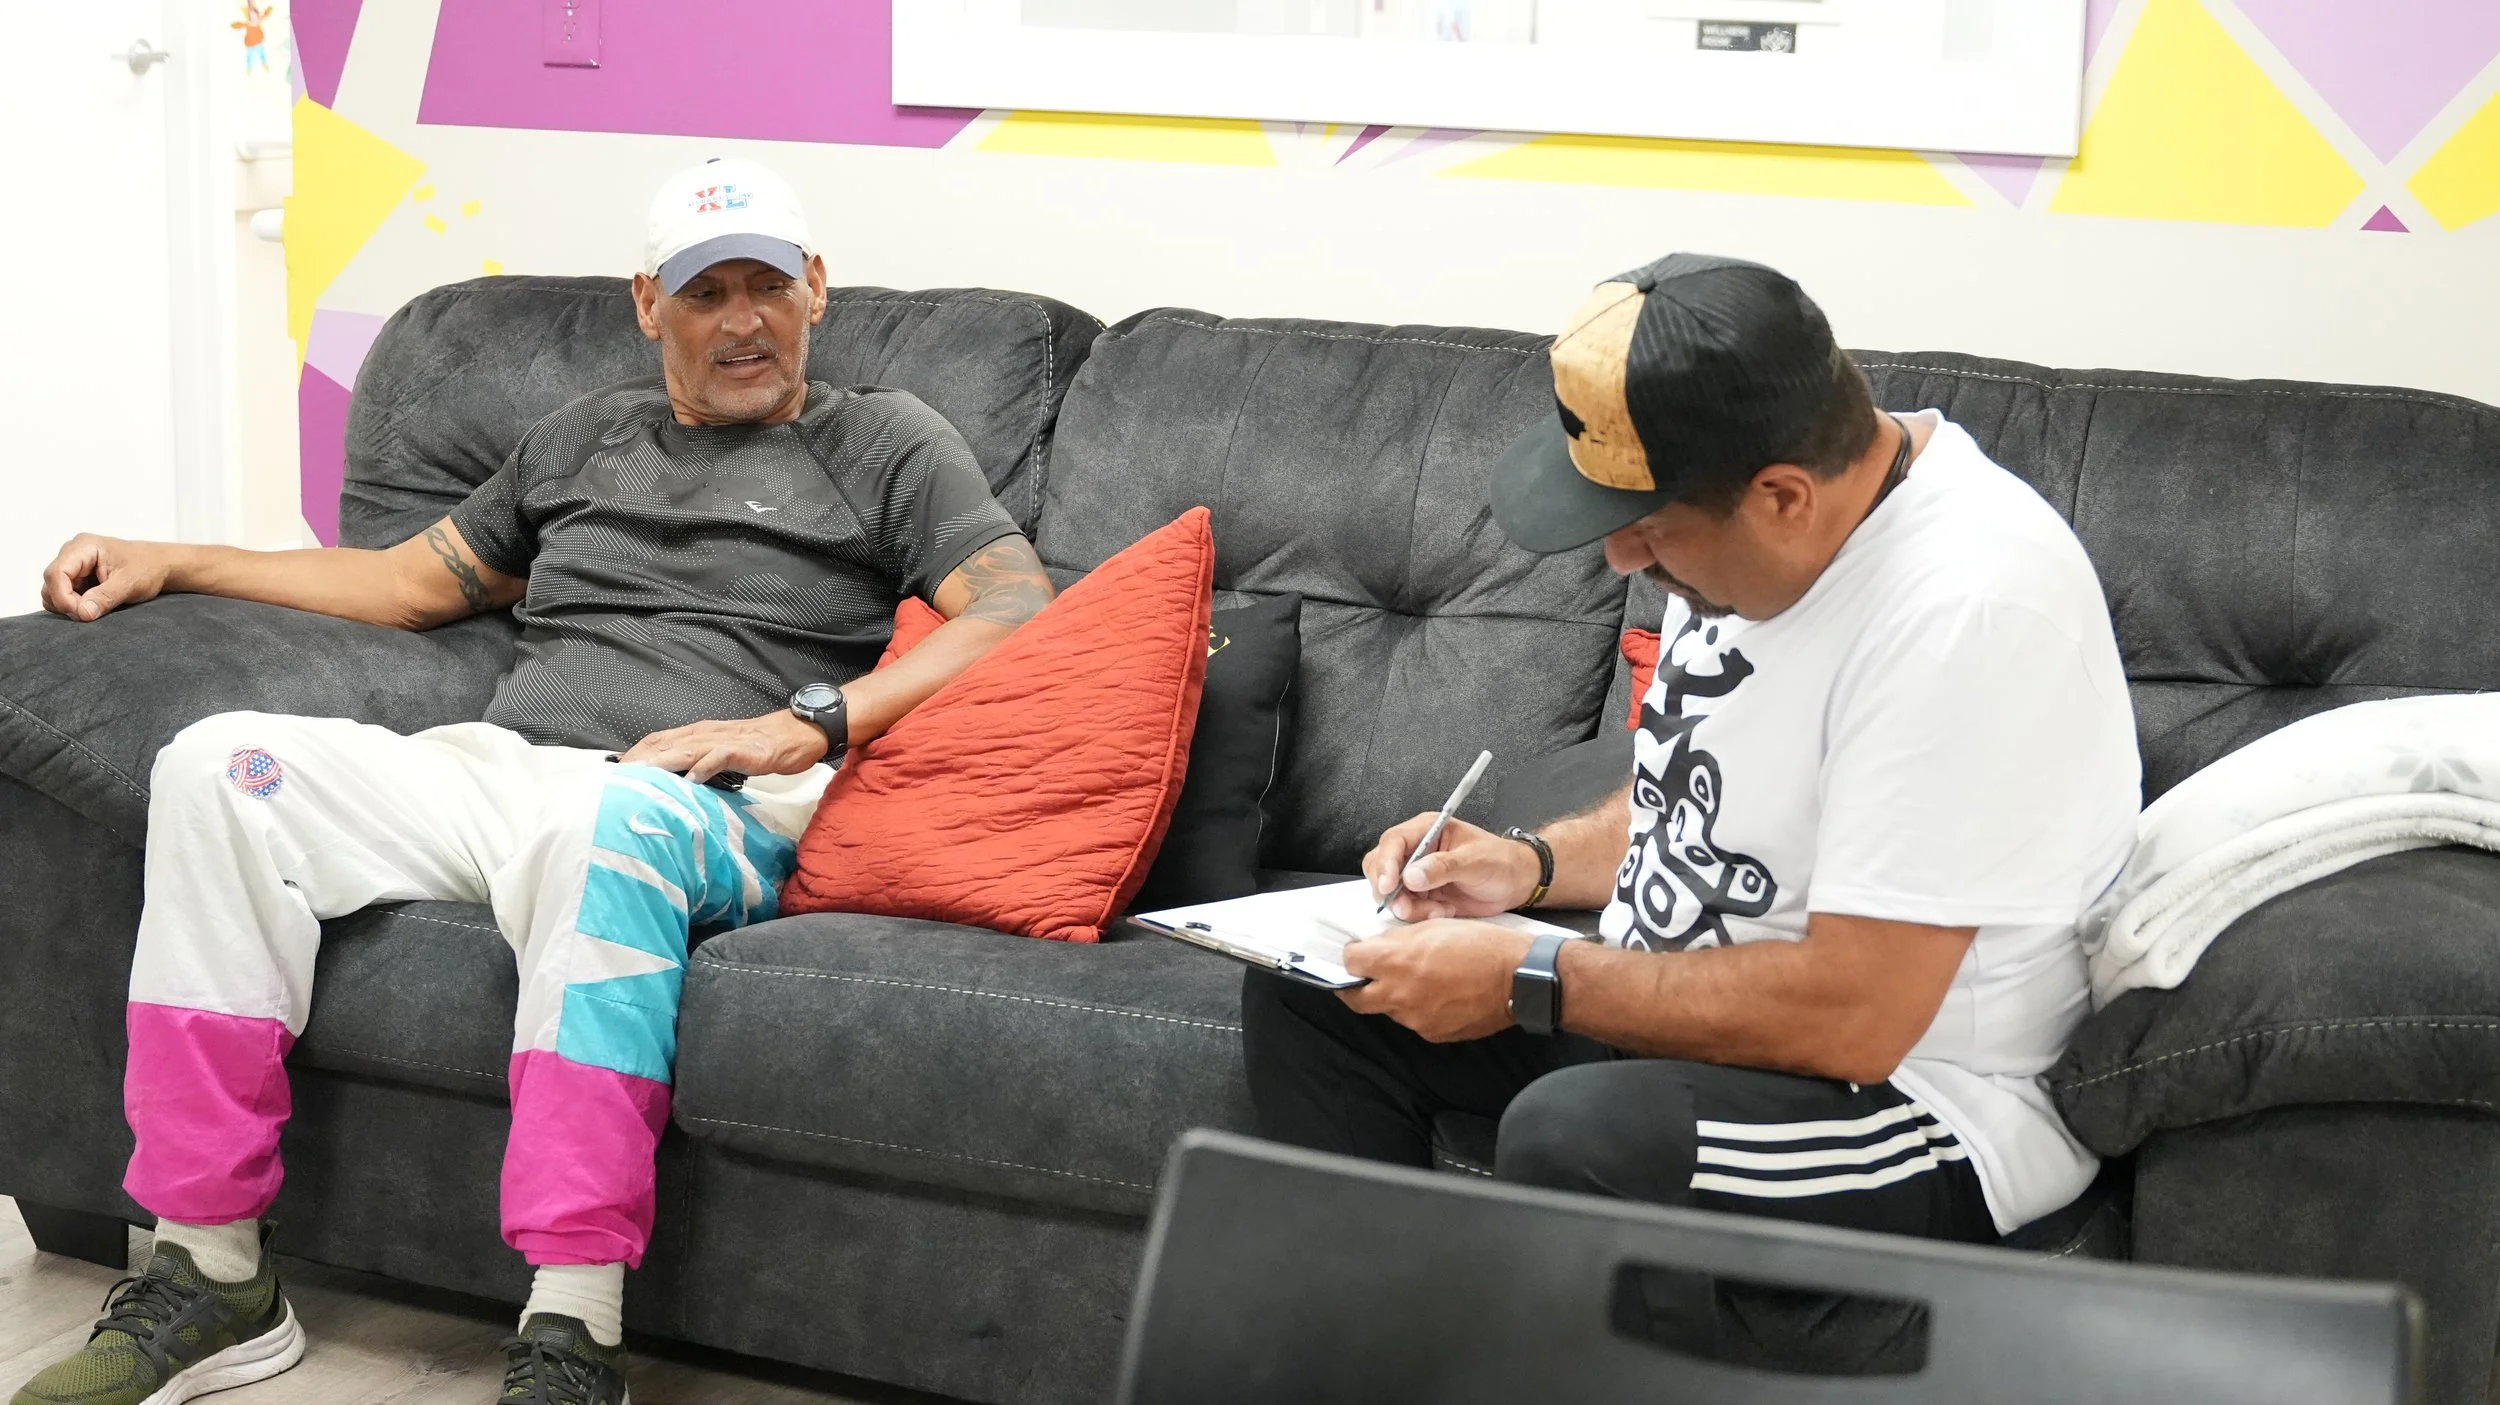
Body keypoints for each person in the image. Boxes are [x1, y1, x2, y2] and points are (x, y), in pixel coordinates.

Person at [12, 157, 1055, 1405]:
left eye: (767, 286)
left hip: (703, 801)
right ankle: (212, 1273)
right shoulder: (581, 438)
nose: (742, 321)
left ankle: (573, 1331)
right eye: (706, 292)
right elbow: (406, 582)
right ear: (647, 304)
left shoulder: (886, 442)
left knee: (599, 819)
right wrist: (172, 558)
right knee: (217, 768)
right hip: (509, 770)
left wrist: (810, 721)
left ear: (815, 288)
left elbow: (1015, 603)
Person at [1242, 253, 2139, 1357]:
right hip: (1708, 1020)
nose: (1619, 554)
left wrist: (1530, 976)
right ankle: (1382, 1372)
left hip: (1915, 1099)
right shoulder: (1752, 534)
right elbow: (1708, 784)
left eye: (1649, 526)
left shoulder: (1968, 612)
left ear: (1782, 496)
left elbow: (1856, 1013)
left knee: (1584, 1137)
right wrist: (1526, 866)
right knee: (1323, 994)